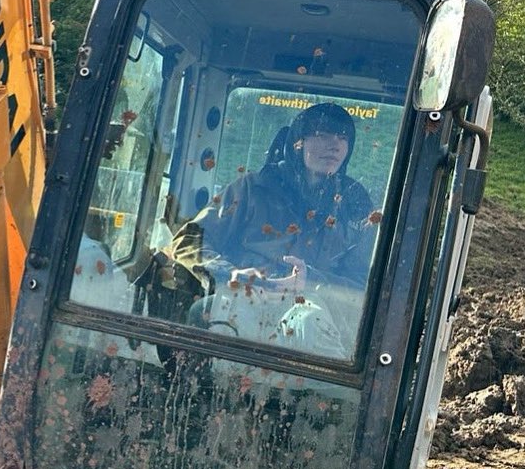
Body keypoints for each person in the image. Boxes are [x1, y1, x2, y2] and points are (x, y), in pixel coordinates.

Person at [160, 101, 377, 358]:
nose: (335, 145)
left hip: (316, 311)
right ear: (298, 142)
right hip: (247, 299)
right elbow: (188, 240)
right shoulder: (251, 189)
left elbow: (364, 286)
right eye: (322, 135)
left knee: (310, 325)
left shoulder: (356, 208)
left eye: (343, 137)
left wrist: (312, 281)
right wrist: (231, 274)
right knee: (203, 313)